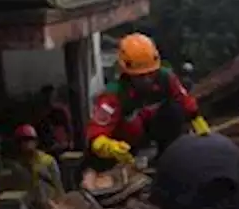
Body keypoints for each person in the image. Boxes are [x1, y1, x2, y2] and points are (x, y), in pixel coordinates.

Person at [86, 33, 211, 166]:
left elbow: (185, 101)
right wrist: (108, 146)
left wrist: (197, 120)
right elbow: (96, 133)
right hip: (126, 146)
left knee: (174, 110)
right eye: (140, 76)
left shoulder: (166, 78)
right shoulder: (113, 94)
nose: (147, 80)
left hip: (155, 135)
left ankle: (167, 155)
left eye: (150, 74)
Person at [4, 124, 64, 202]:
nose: (26, 143)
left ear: (36, 142)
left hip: (49, 203)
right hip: (29, 205)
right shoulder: (16, 166)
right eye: (23, 140)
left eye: (29, 139)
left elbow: (58, 185)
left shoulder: (48, 161)